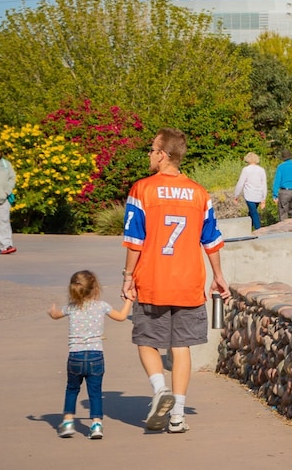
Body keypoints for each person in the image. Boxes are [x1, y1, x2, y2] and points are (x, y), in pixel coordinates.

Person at [120, 128, 231, 434]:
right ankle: (178, 414)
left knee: (146, 341)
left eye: (152, 149)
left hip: (152, 279)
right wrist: (218, 276)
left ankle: (160, 390)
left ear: (163, 155)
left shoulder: (142, 189)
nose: (149, 154)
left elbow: (134, 240)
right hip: (189, 282)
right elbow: (211, 240)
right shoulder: (199, 193)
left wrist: (128, 276)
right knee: (181, 346)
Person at [47, 270, 133, 439]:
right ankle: (96, 425)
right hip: (96, 356)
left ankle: (68, 421)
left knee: (72, 389)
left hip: (75, 356)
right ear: (95, 289)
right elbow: (122, 317)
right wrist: (129, 300)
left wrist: (52, 311)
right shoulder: (102, 306)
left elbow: (56, 315)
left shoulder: (70, 308)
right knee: (95, 392)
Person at [233, 152, 267, 230]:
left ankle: (258, 229)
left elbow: (241, 183)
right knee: (252, 212)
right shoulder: (261, 170)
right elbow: (264, 184)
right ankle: (247, 228)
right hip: (259, 194)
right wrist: (263, 198)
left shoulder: (246, 170)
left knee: (253, 212)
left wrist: (236, 195)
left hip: (249, 195)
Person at [271, 149, 292, 220]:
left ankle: (284, 230)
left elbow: (277, 181)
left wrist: (275, 195)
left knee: (283, 213)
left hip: (285, 191)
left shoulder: (281, 167)